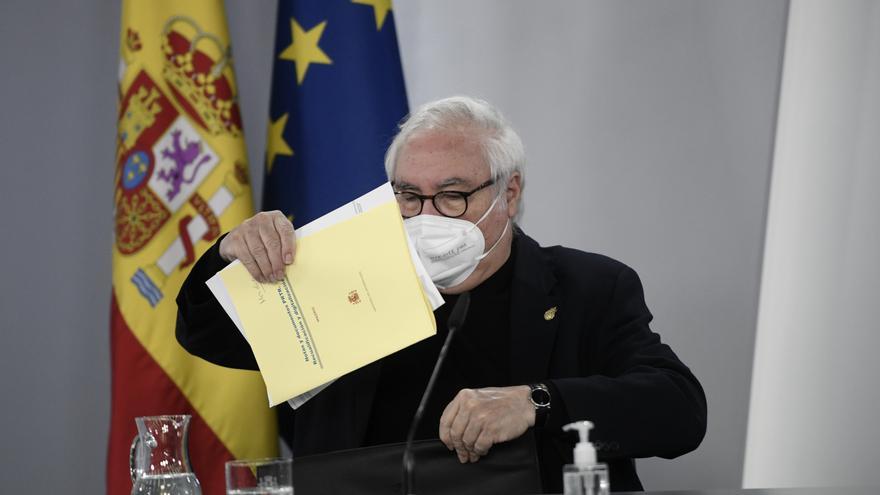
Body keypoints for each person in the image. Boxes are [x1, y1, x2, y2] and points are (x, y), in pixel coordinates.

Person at [176, 96, 707, 492]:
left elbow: (679, 410)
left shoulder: (587, 287)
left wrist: (536, 401)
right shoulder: (341, 278)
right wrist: (230, 252)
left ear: (510, 192)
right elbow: (203, 332)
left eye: (452, 195)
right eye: (409, 196)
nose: (427, 215)